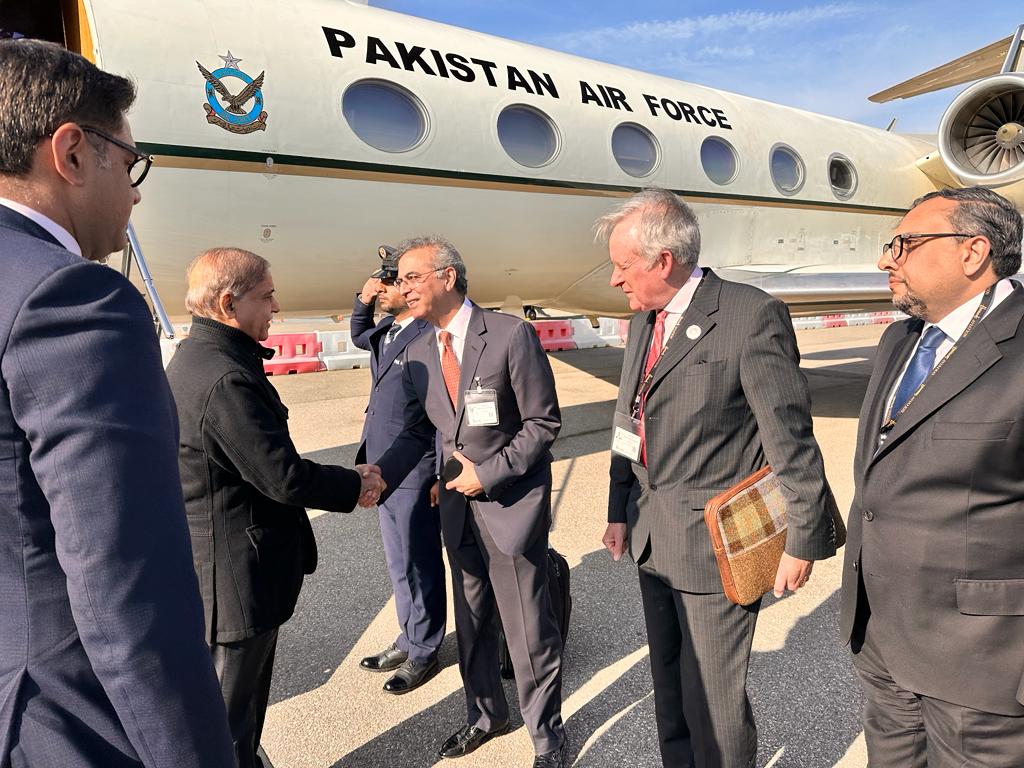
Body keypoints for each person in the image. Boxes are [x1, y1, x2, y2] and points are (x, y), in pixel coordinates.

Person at [0, 40, 235, 767]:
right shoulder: (69, 298)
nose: (135, 193)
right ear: (70, 153)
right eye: (129, 163)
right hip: (58, 717)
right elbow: (127, 584)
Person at [597, 188, 839, 768]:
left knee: (715, 704)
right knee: (672, 694)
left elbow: (790, 437)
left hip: (714, 546)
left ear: (663, 261)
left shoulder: (748, 315)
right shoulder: (645, 321)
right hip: (651, 535)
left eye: (622, 265)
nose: (613, 280)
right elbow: (629, 419)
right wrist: (616, 507)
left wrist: (802, 540)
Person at [165, 247, 385, 768]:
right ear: (227, 303)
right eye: (265, 297)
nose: (276, 306)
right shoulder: (225, 380)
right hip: (236, 584)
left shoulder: (202, 357)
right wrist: (354, 483)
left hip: (222, 569)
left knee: (236, 718)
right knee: (227, 720)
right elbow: (281, 477)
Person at [840, 186, 1024, 766]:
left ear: (973, 253)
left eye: (905, 243)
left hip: (985, 667)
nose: (885, 260)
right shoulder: (900, 340)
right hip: (884, 644)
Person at [378, 236, 567, 767]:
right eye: (400, 279)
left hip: (510, 505)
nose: (402, 287)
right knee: (474, 623)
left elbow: (543, 424)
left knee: (528, 630)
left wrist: (490, 473)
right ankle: (486, 715)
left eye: (412, 277)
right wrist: (377, 478)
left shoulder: (510, 335)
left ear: (448, 277)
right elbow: (421, 431)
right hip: (457, 511)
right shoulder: (418, 348)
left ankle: (548, 737)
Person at [351, 245, 446, 694]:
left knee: (420, 559)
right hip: (384, 462)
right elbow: (357, 334)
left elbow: (439, 412)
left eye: (384, 284)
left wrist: (439, 473)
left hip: (415, 466)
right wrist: (361, 300)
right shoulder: (387, 331)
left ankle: (425, 648)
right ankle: (408, 637)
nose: (381, 290)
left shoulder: (425, 333)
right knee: (398, 560)